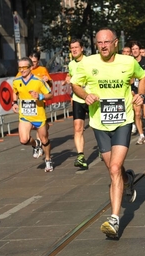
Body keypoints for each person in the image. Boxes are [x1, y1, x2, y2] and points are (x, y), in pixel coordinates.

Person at [71, 27, 145, 238]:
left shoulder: (128, 62)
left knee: (114, 167)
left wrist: (140, 94)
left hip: (123, 120)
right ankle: (128, 178)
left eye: (107, 42)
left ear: (115, 42)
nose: (103, 46)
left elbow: (144, 77)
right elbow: (75, 84)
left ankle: (114, 219)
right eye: (99, 43)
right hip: (99, 123)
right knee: (113, 169)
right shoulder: (88, 63)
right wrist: (85, 95)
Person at [12, 57, 54, 172]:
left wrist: (40, 96)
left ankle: (48, 159)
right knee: (23, 140)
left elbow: (50, 94)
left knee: (45, 140)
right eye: (20, 67)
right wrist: (14, 103)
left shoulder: (39, 81)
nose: (22, 70)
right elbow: (15, 92)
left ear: (30, 68)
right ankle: (36, 144)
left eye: (24, 67)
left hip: (38, 115)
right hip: (25, 115)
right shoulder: (16, 81)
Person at [64, 39, 89, 169]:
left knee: (98, 127)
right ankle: (80, 155)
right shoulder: (71, 64)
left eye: (76, 47)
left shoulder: (89, 62)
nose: (74, 50)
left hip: (91, 98)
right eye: (71, 48)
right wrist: (68, 80)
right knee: (78, 128)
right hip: (78, 99)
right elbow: (70, 77)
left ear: (82, 48)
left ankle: (103, 149)